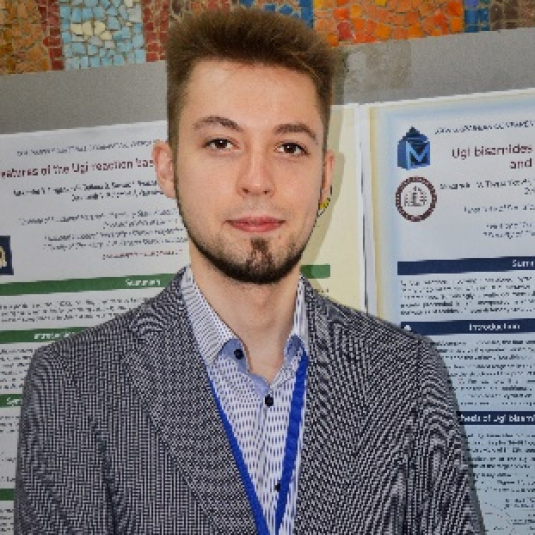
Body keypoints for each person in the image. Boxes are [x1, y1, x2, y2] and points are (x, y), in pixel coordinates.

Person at [14, 8, 482, 534]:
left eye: (289, 147)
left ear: (325, 176)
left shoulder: (406, 374)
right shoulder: (74, 385)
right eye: (221, 142)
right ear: (167, 167)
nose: (257, 180)